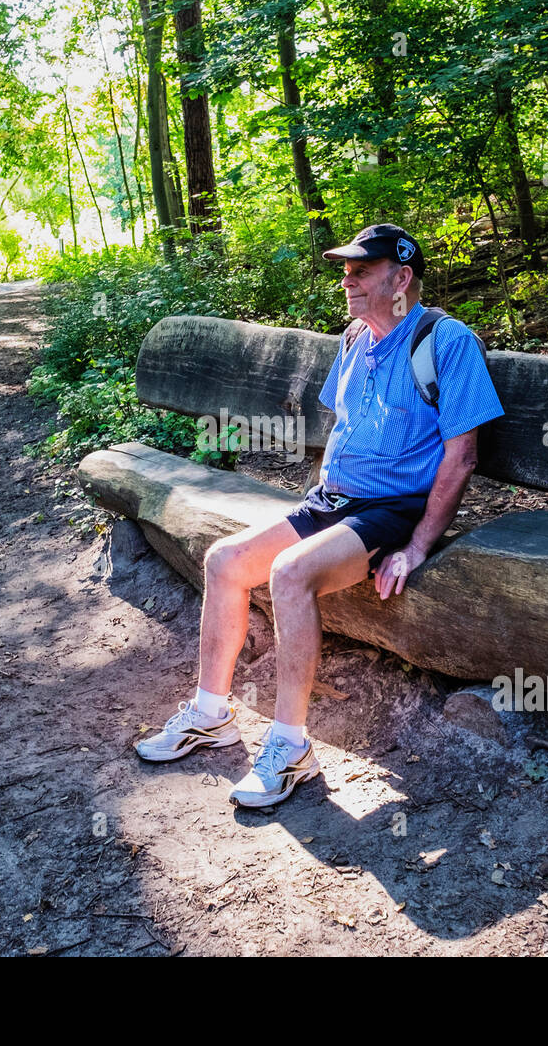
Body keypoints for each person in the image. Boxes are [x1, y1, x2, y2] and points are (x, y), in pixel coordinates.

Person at [135, 224, 505, 807]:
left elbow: (462, 456)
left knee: (288, 572)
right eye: (346, 269)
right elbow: (342, 428)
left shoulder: (448, 341)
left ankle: (291, 748)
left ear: (401, 278)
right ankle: (211, 715)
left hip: (392, 509)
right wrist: (319, 500)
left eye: (362, 270)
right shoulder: (356, 336)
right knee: (226, 560)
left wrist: (418, 546)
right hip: (332, 500)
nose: (348, 280)